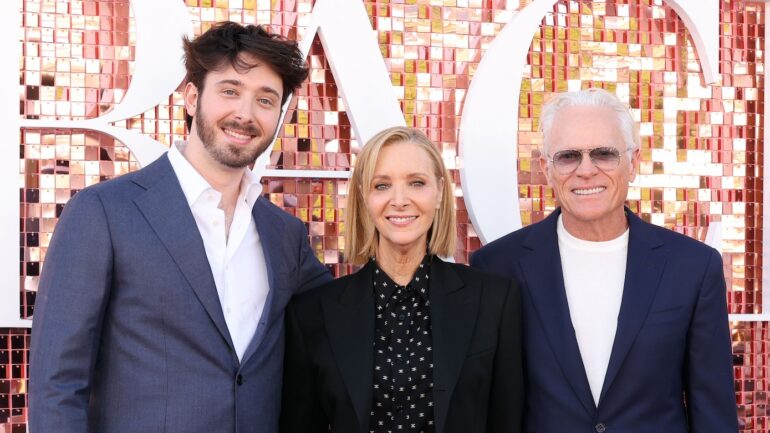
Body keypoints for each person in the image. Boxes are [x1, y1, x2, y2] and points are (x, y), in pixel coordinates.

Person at [28, 21, 331, 433]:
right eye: (230, 91)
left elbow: (346, 316)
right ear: (191, 97)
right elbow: (56, 385)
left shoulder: (285, 236)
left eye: (265, 100)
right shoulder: (103, 212)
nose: (245, 113)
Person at [471, 88, 737, 432]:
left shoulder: (693, 267)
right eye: (568, 156)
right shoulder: (497, 267)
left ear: (633, 163)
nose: (586, 170)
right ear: (546, 168)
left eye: (604, 154)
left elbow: (713, 411)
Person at [280, 126, 523, 433]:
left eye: (416, 183)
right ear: (364, 199)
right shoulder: (312, 314)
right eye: (382, 186)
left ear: (438, 193)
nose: (399, 200)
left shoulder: (494, 301)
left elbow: (509, 421)